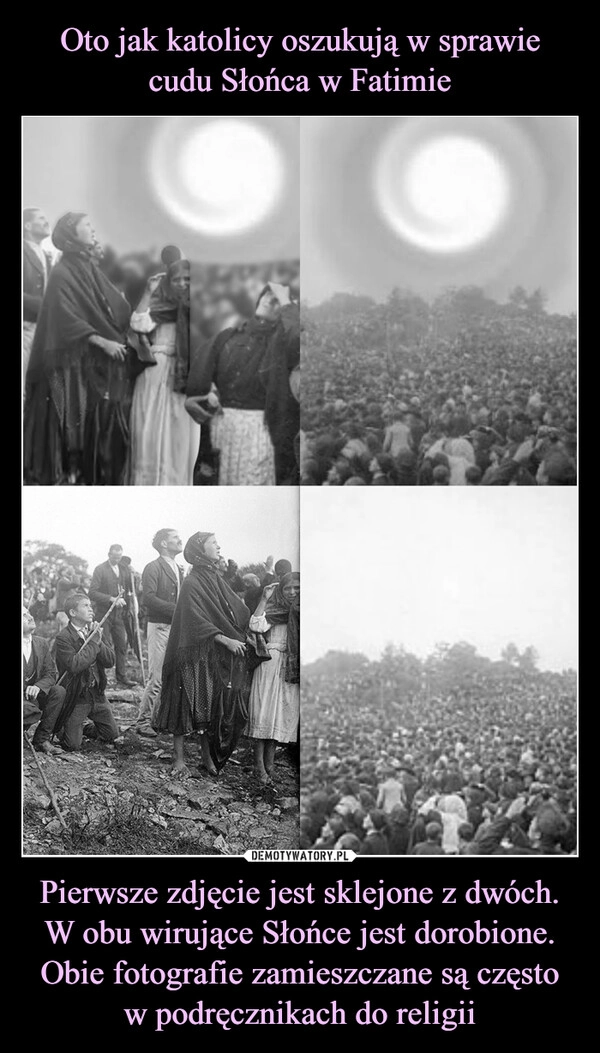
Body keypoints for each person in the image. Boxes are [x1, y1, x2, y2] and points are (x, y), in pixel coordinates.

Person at [23, 212, 141, 486]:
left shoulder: (87, 267)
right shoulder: (64, 271)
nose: (92, 228)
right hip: (70, 368)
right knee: (71, 437)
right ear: (71, 233)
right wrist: (102, 340)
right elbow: (66, 316)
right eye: (86, 224)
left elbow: (111, 305)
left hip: (91, 364)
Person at [153, 532, 261, 777]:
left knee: (209, 704)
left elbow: (233, 608)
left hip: (211, 652)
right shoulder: (193, 582)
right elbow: (193, 618)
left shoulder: (214, 578)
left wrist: (244, 629)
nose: (219, 546)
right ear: (200, 549)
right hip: (191, 651)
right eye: (213, 543)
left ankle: (205, 757)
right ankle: (178, 758)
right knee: (185, 702)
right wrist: (225, 638)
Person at [185, 283, 300, 485]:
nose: (268, 300)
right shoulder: (228, 336)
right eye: (266, 294)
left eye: (276, 300)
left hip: (261, 432)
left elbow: (296, 337)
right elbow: (198, 378)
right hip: (222, 428)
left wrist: (286, 302)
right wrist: (196, 398)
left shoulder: (282, 342)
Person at [128, 253, 200, 485]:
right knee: (151, 430)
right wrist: (149, 292)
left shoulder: (200, 308)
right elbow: (139, 323)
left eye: (187, 279)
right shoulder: (160, 301)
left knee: (179, 434)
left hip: (185, 375)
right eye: (177, 279)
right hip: (158, 369)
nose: (182, 284)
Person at [245, 572, 300, 785]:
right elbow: (255, 625)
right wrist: (264, 599)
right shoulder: (275, 609)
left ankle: (270, 764)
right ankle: (259, 765)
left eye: (297, 588)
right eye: (288, 588)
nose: (293, 592)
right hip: (271, 661)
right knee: (264, 712)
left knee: (280, 713)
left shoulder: (303, 612)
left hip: (291, 666)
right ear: (281, 590)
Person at [53, 593, 121, 752]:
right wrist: (94, 643)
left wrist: (98, 640)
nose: (91, 609)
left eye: (91, 606)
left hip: (97, 695)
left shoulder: (94, 631)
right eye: (85, 606)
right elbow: (74, 665)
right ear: (73, 613)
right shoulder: (63, 637)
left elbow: (110, 661)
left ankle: (83, 727)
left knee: (111, 734)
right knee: (72, 745)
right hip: (78, 697)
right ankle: (66, 727)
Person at [135, 529, 184, 737]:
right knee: (156, 677)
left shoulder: (178, 568)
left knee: (171, 676)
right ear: (164, 543)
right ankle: (142, 721)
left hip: (175, 627)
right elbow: (148, 598)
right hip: (160, 626)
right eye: (175, 538)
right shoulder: (153, 567)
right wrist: (179, 610)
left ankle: (160, 720)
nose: (180, 540)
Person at [89, 545, 137, 688]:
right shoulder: (100, 569)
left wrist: (134, 574)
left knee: (121, 646)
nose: (117, 560)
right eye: (114, 557)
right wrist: (111, 599)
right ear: (109, 554)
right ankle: (100, 679)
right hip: (104, 613)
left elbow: (131, 585)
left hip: (119, 615)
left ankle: (121, 677)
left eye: (119, 557)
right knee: (103, 645)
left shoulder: (123, 569)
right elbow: (92, 592)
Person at [22, 605, 66, 753]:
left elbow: (51, 673)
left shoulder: (40, 643)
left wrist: (38, 686)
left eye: (28, 613)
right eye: (24, 615)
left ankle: (41, 739)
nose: (30, 617)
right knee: (28, 707)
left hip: (34, 696)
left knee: (58, 691)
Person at [23, 207, 52, 382]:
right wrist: (42, 305)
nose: (46, 222)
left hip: (40, 329)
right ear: (27, 225)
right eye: (41, 218)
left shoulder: (46, 257)